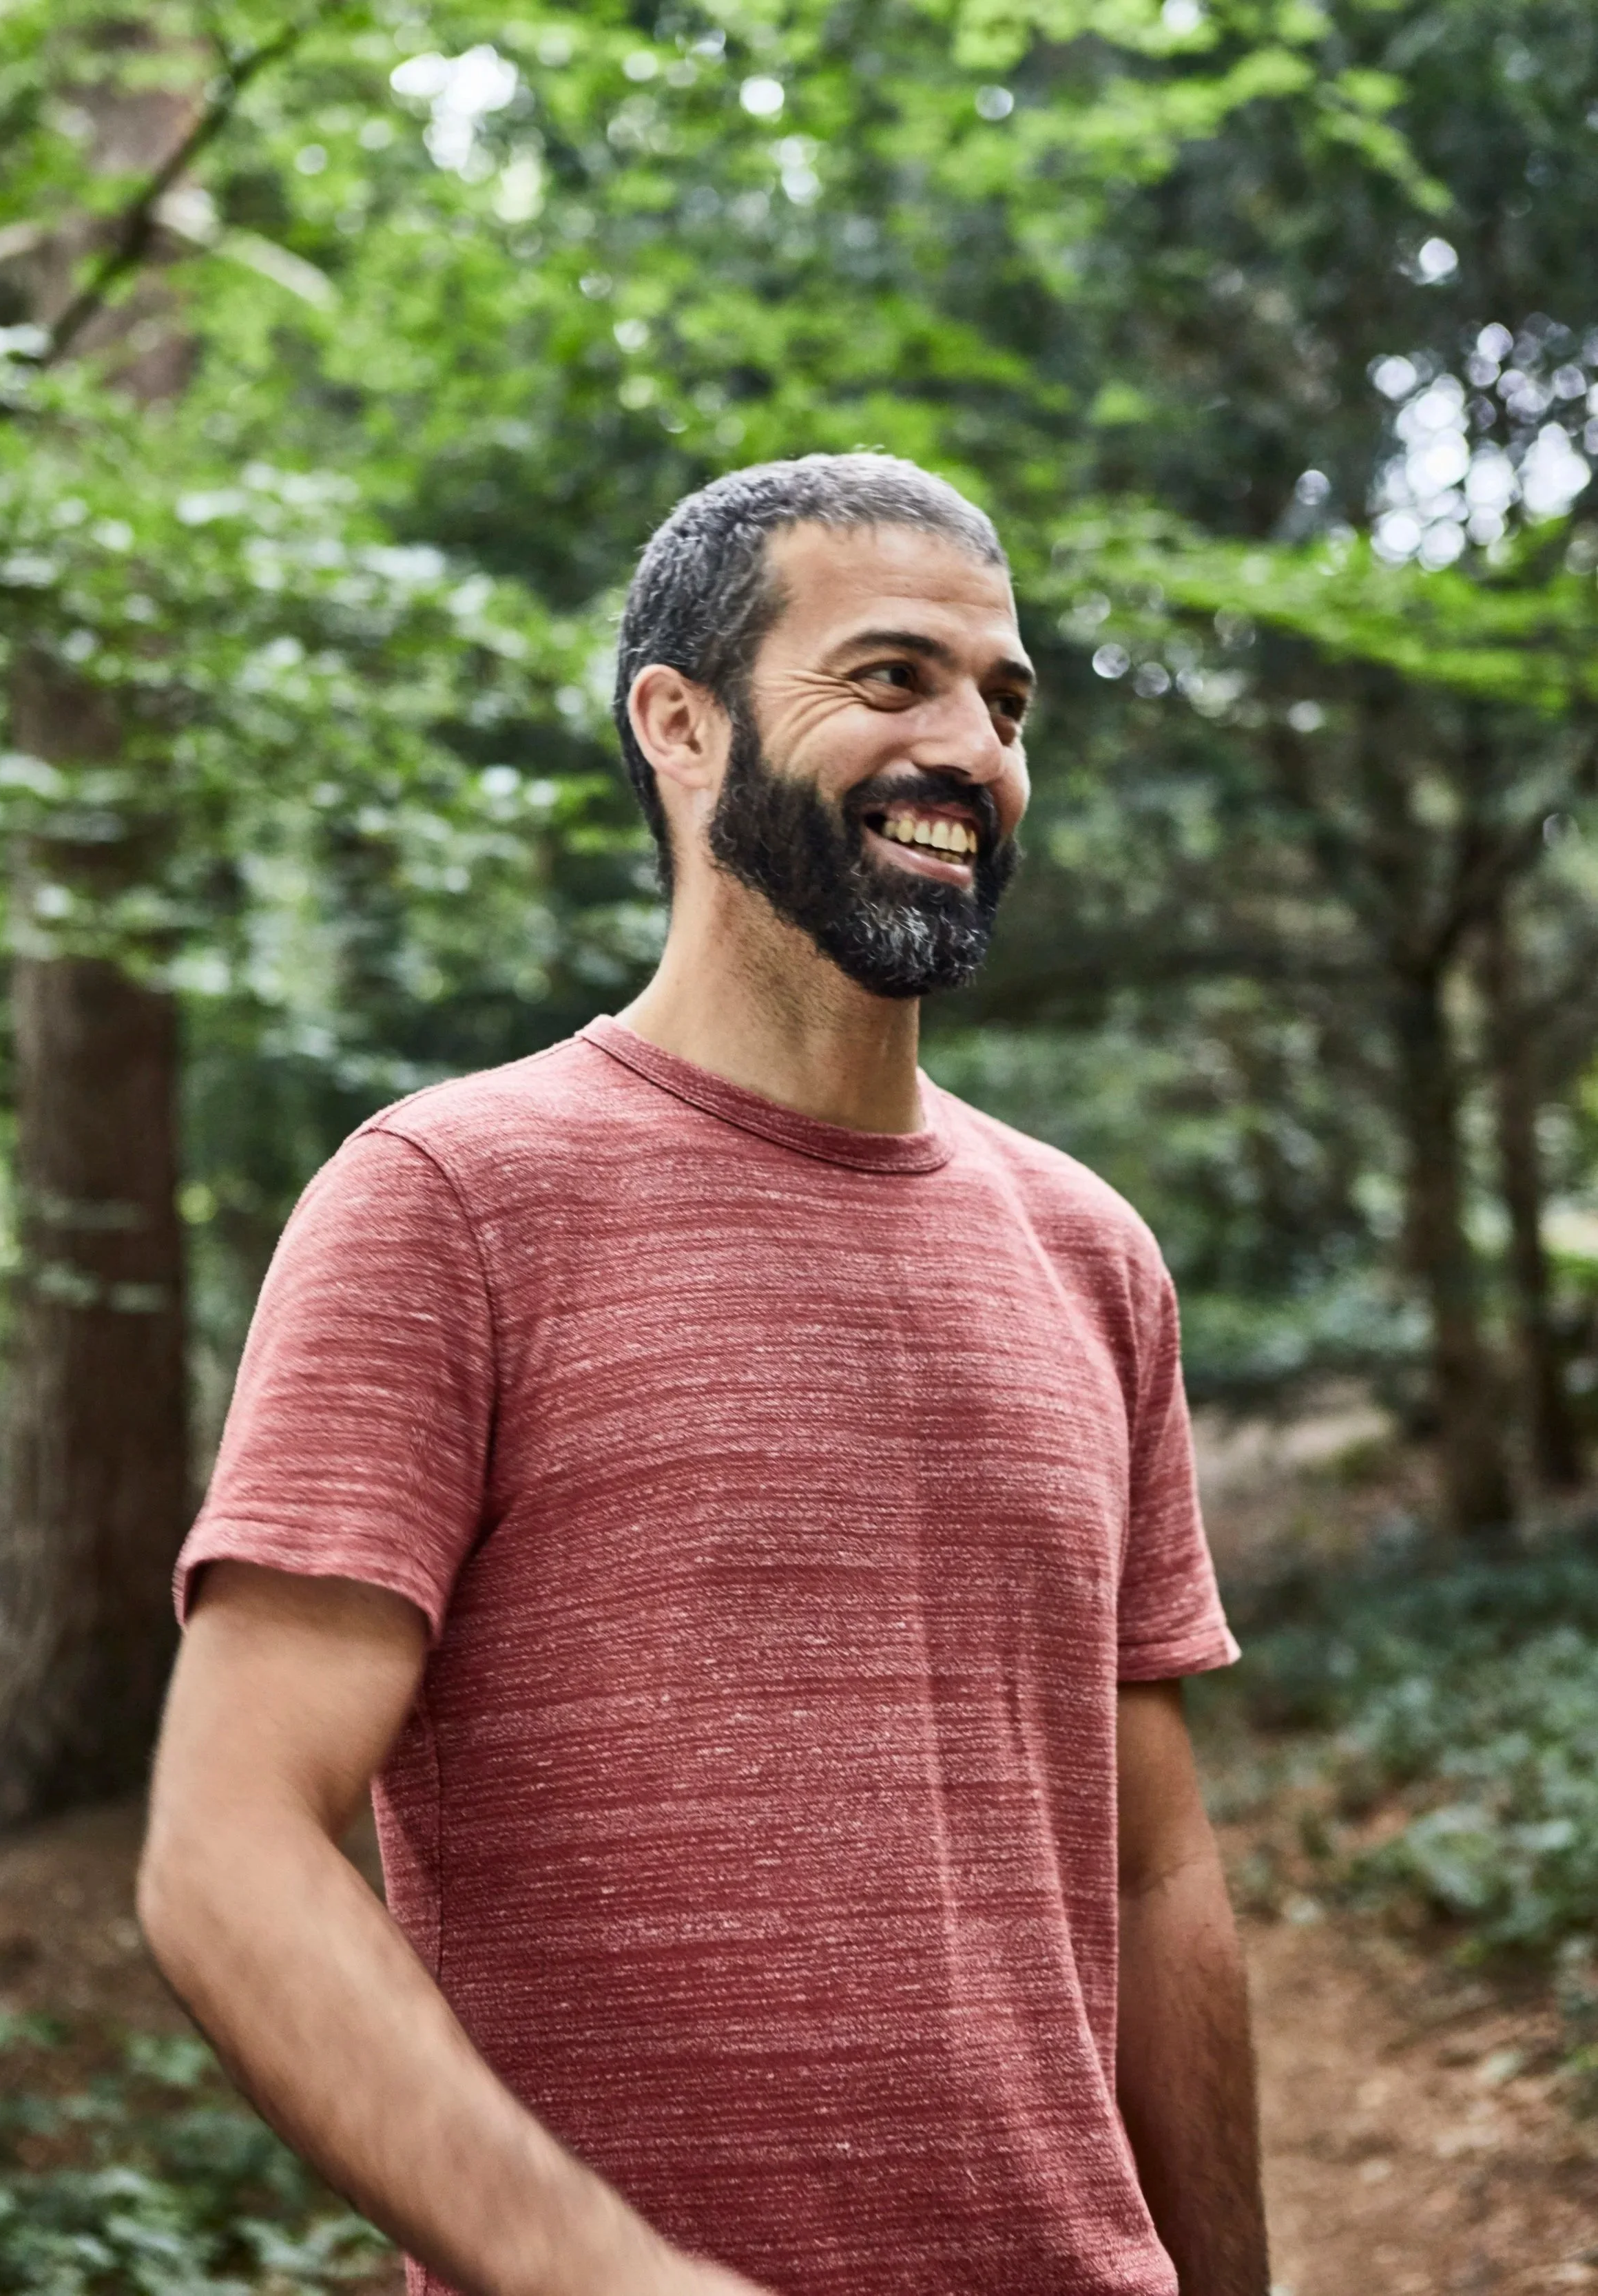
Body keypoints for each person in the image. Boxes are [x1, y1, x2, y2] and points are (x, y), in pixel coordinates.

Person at [140, 453, 1270, 2296]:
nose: (973, 748)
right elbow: (223, 1845)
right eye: (890, 678)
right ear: (678, 721)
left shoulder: (1089, 1251)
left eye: (1006, 701)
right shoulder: (446, 1201)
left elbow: (1156, 1877)